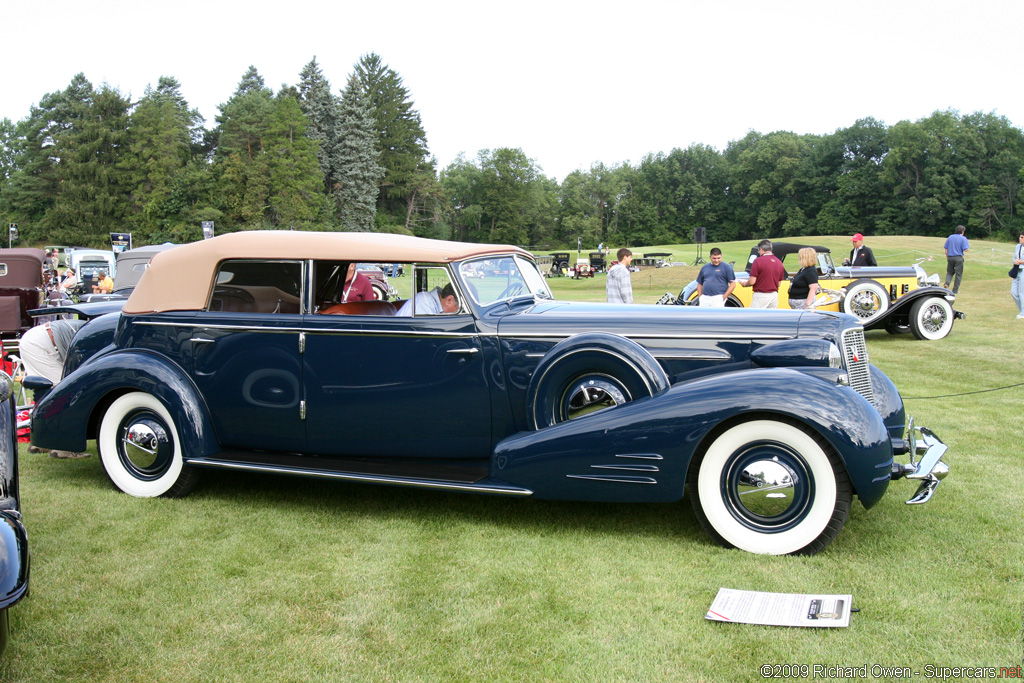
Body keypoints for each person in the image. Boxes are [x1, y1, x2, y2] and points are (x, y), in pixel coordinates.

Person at [19, 319, 90, 458]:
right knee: (64, 393)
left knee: (43, 389)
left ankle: (40, 442)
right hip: (43, 343)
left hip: (34, 339)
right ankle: (63, 448)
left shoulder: (90, 326)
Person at [741, 240, 786, 309]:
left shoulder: (758, 261)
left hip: (761, 295)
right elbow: (778, 284)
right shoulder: (779, 262)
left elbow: (752, 281)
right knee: (770, 318)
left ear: (761, 249)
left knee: (755, 317)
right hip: (774, 295)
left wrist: (744, 284)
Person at [943, 225, 970, 295]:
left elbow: (946, 249)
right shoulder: (963, 238)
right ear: (962, 231)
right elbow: (965, 249)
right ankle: (955, 290)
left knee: (949, 272)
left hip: (950, 257)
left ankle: (947, 283)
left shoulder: (950, 237)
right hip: (958, 258)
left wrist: (947, 257)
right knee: (958, 275)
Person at [1012, 232, 1024, 320]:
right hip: (1017, 270)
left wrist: (1021, 262)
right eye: (1020, 237)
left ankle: (1022, 313)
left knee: (1021, 293)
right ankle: (1022, 311)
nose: (1020, 238)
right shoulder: (1018, 246)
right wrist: (1015, 261)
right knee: (1013, 292)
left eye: (1022, 237)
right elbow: (1014, 257)